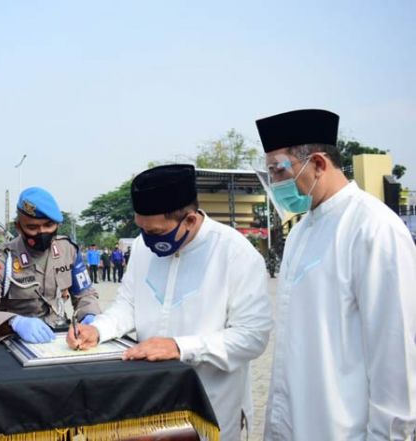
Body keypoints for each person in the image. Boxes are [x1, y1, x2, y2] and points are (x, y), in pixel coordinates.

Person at [68, 164, 273, 440]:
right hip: (147, 403)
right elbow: (127, 304)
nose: (147, 240)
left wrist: (180, 347)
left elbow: (252, 337)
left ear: (189, 220)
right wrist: (98, 330)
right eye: (141, 230)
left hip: (208, 405)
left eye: (155, 232)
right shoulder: (143, 248)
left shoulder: (235, 254)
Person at [256, 109, 416, 440]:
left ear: (317, 163)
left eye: (278, 169)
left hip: (344, 428)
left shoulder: (374, 228)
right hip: (294, 421)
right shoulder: (300, 232)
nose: (275, 182)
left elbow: (396, 353)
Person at [0, 187, 101, 343]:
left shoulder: (68, 251)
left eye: (48, 225)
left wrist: (90, 315)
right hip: (16, 339)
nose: (42, 232)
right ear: (19, 227)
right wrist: (15, 323)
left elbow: (85, 294)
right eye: (32, 227)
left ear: (57, 225)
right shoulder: (0, 259)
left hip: (59, 335)